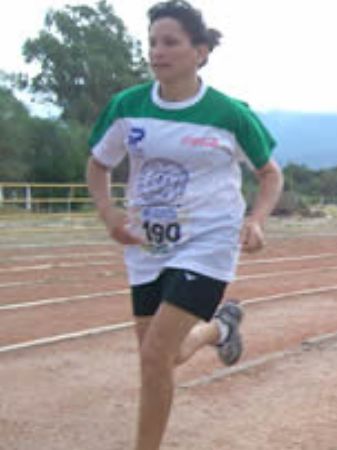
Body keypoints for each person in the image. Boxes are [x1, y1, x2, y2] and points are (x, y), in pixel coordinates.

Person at [85, 1, 283, 448]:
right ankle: (221, 328)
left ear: (200, 52)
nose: (158, 51)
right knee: (163, 356)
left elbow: (270, 174)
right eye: (153, 42)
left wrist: (256, 219)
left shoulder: (228, 113)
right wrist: (107, 210)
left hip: (208, 245)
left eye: (170, 42)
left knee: (154, 355)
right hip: (146, 246)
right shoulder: (127, 106)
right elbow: (98, 165)